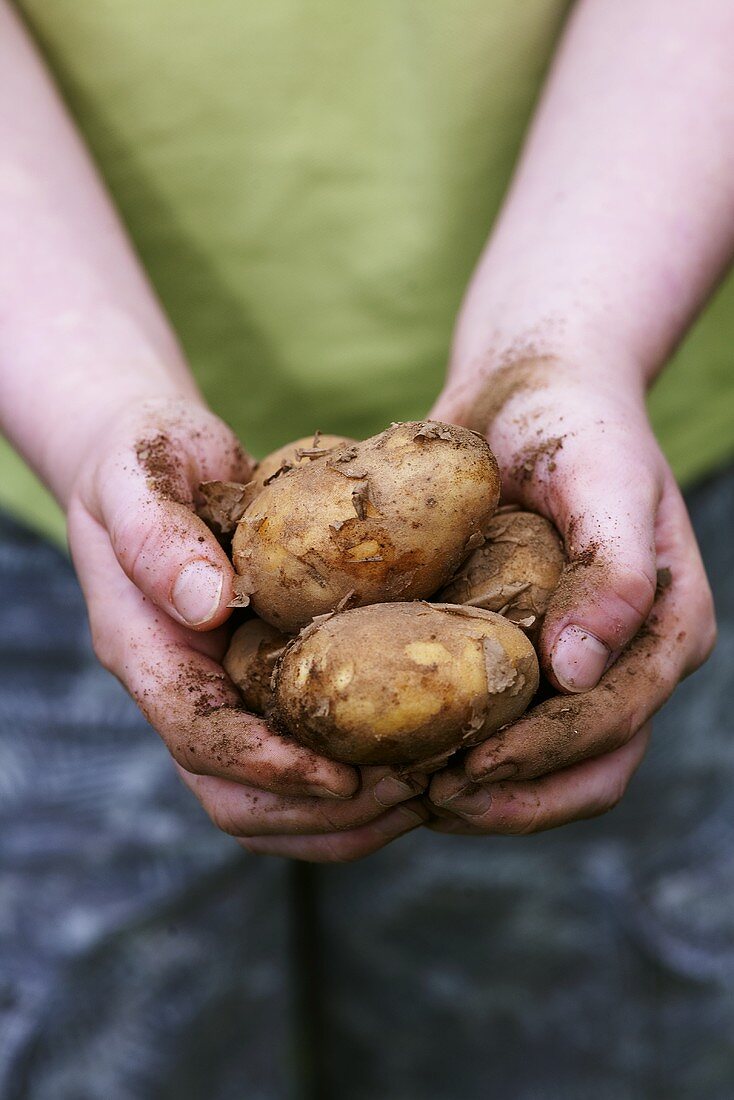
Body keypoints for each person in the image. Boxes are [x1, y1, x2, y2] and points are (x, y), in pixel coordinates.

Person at [0, 1, 732, 1095]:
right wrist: (93, 407)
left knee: (558, 1034)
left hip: (614, 453)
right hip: (42, 454)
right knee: (111, 1035)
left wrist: (569, 342)